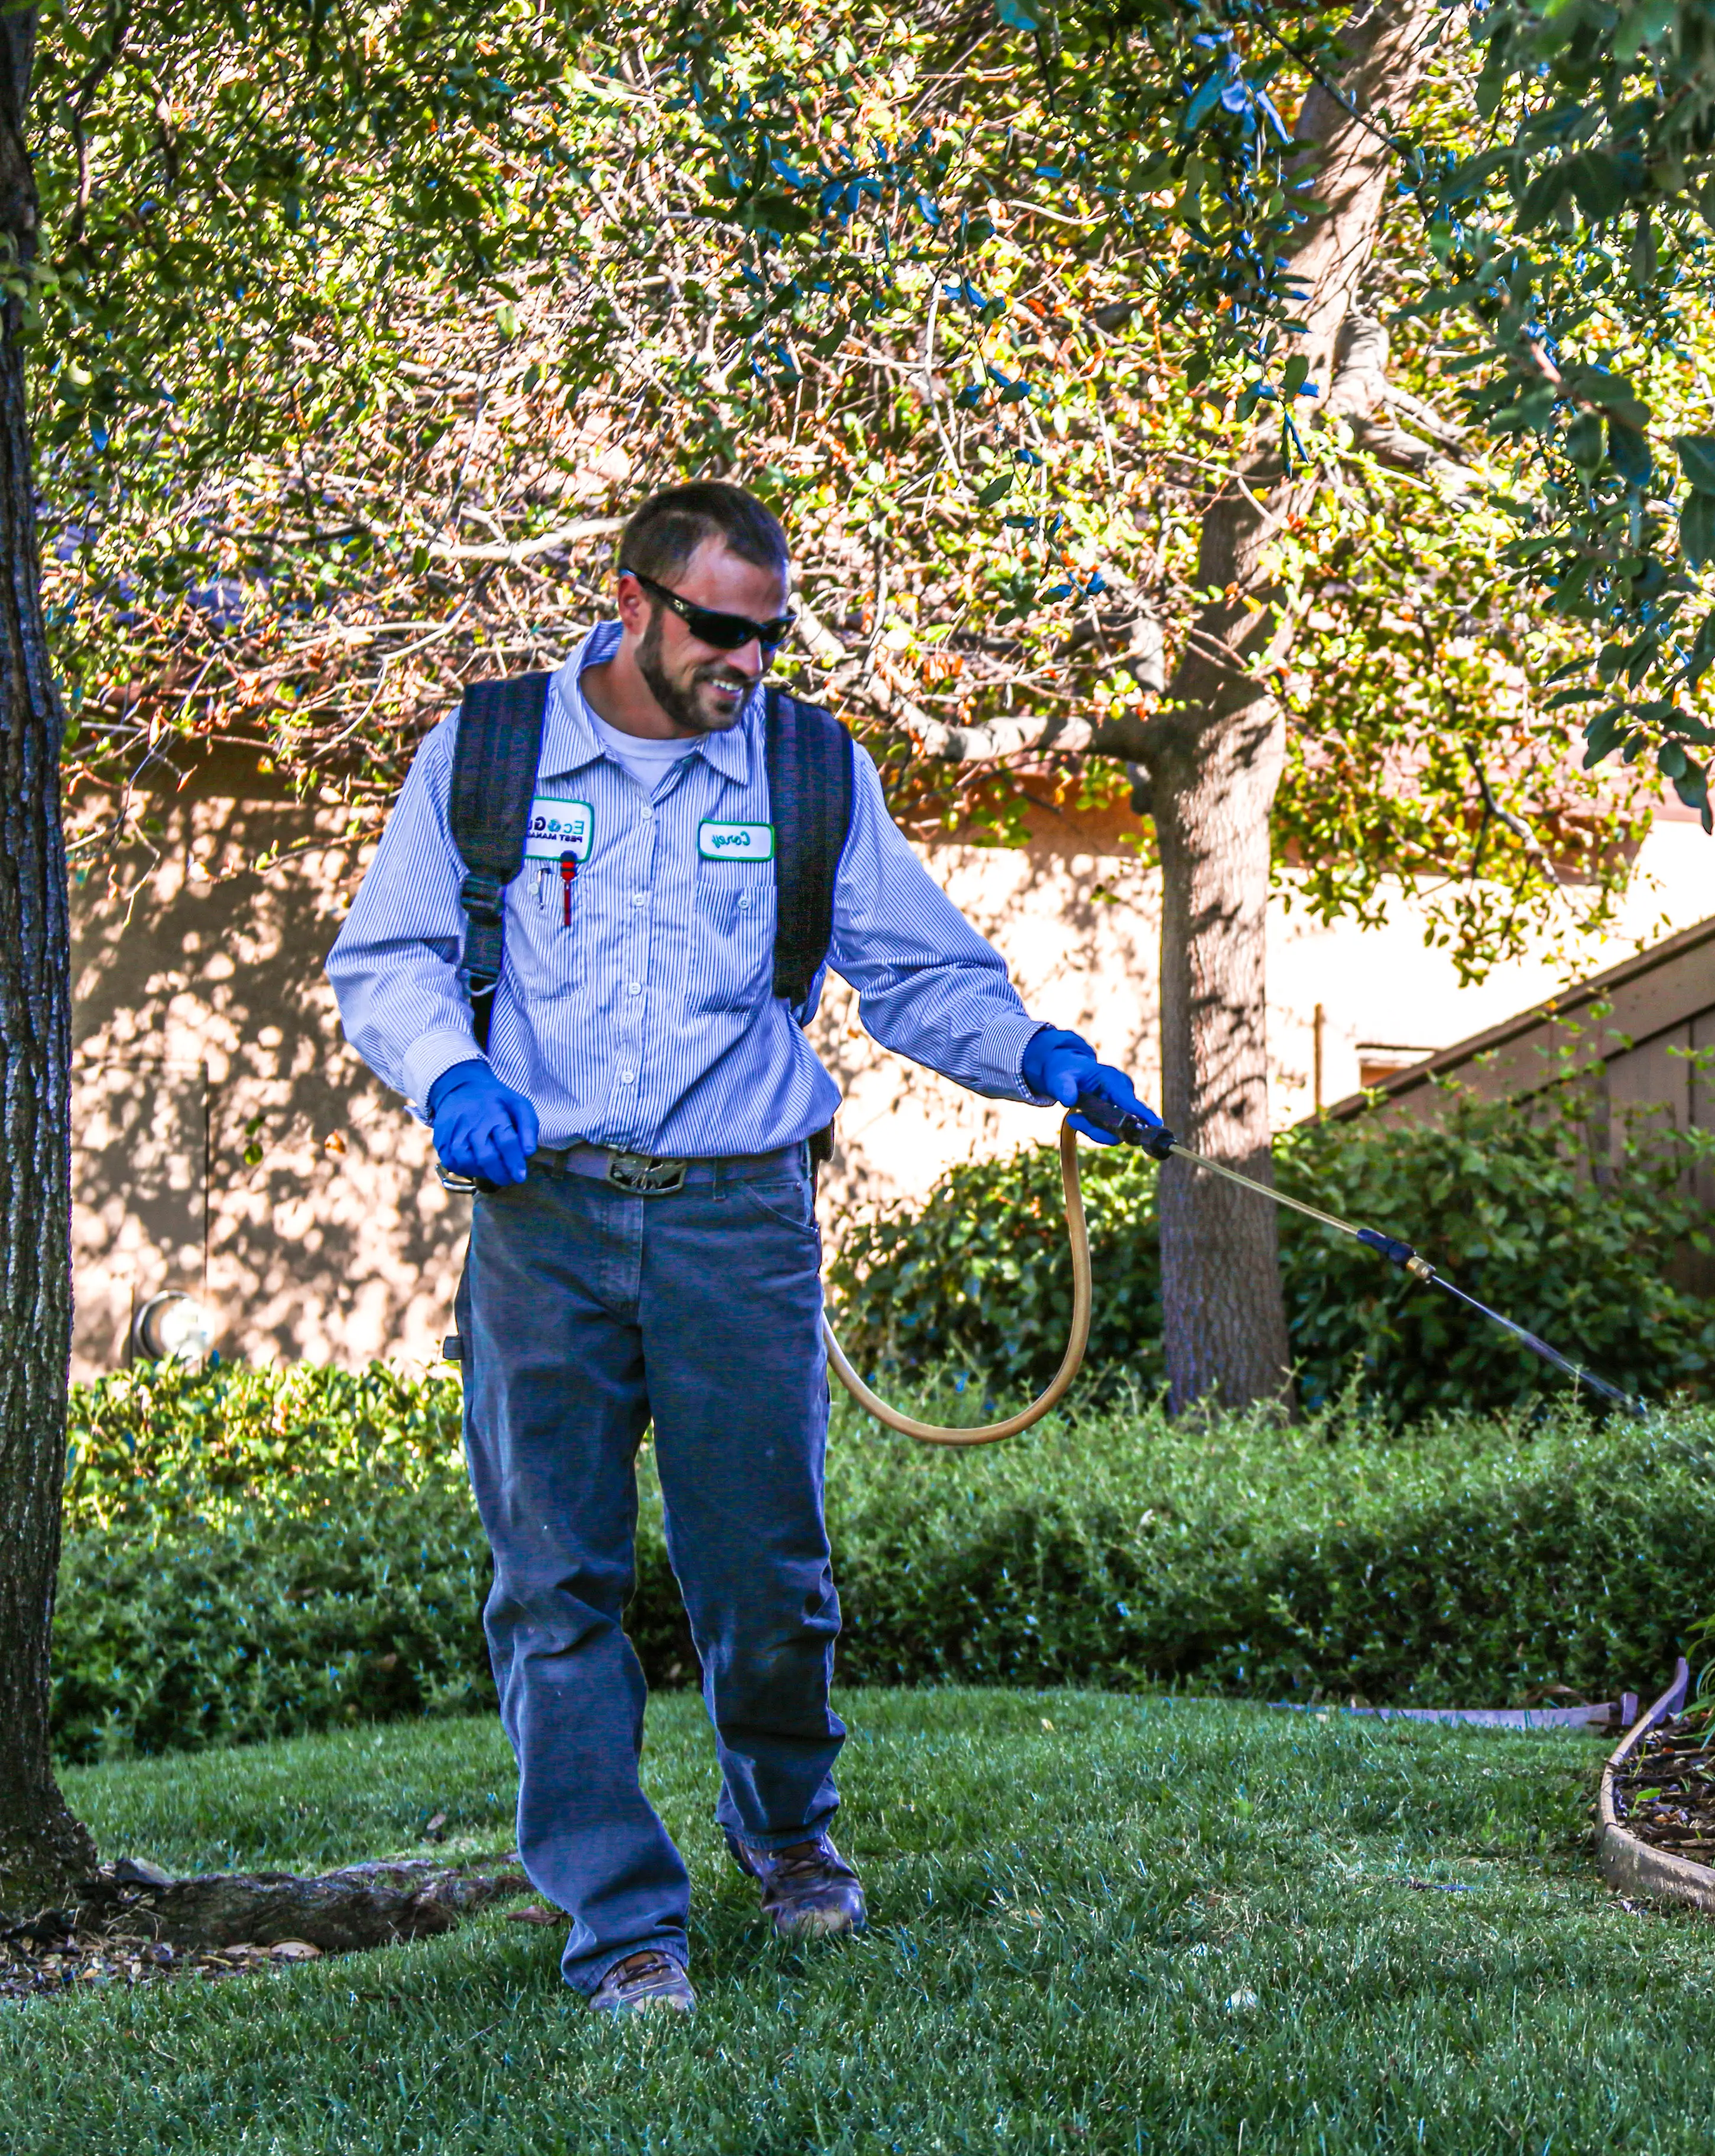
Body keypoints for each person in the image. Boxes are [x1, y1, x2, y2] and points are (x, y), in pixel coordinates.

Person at [326, 480, 1155, 2015]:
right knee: (553, 1584)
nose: (748, 663)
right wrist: (450, 1075)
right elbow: (390, 959)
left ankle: (785, 1832)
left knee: (768, 1578)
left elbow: (918, 972)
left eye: (769, 635)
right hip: (544, 1220)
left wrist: (1040, 1057)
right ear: (632, 602)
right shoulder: (492, 751)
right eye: (719, 629)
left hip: (739, 1220)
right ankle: (622, 1923)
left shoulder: (806, 770)